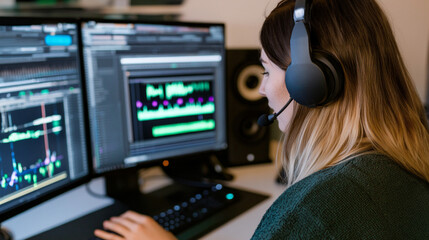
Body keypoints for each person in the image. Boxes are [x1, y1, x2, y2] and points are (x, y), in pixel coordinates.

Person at [94, 0, 429, 239]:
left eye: (267, 70)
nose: (263, 89)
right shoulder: (407, 160)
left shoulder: (316, 210)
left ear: (310, 83)